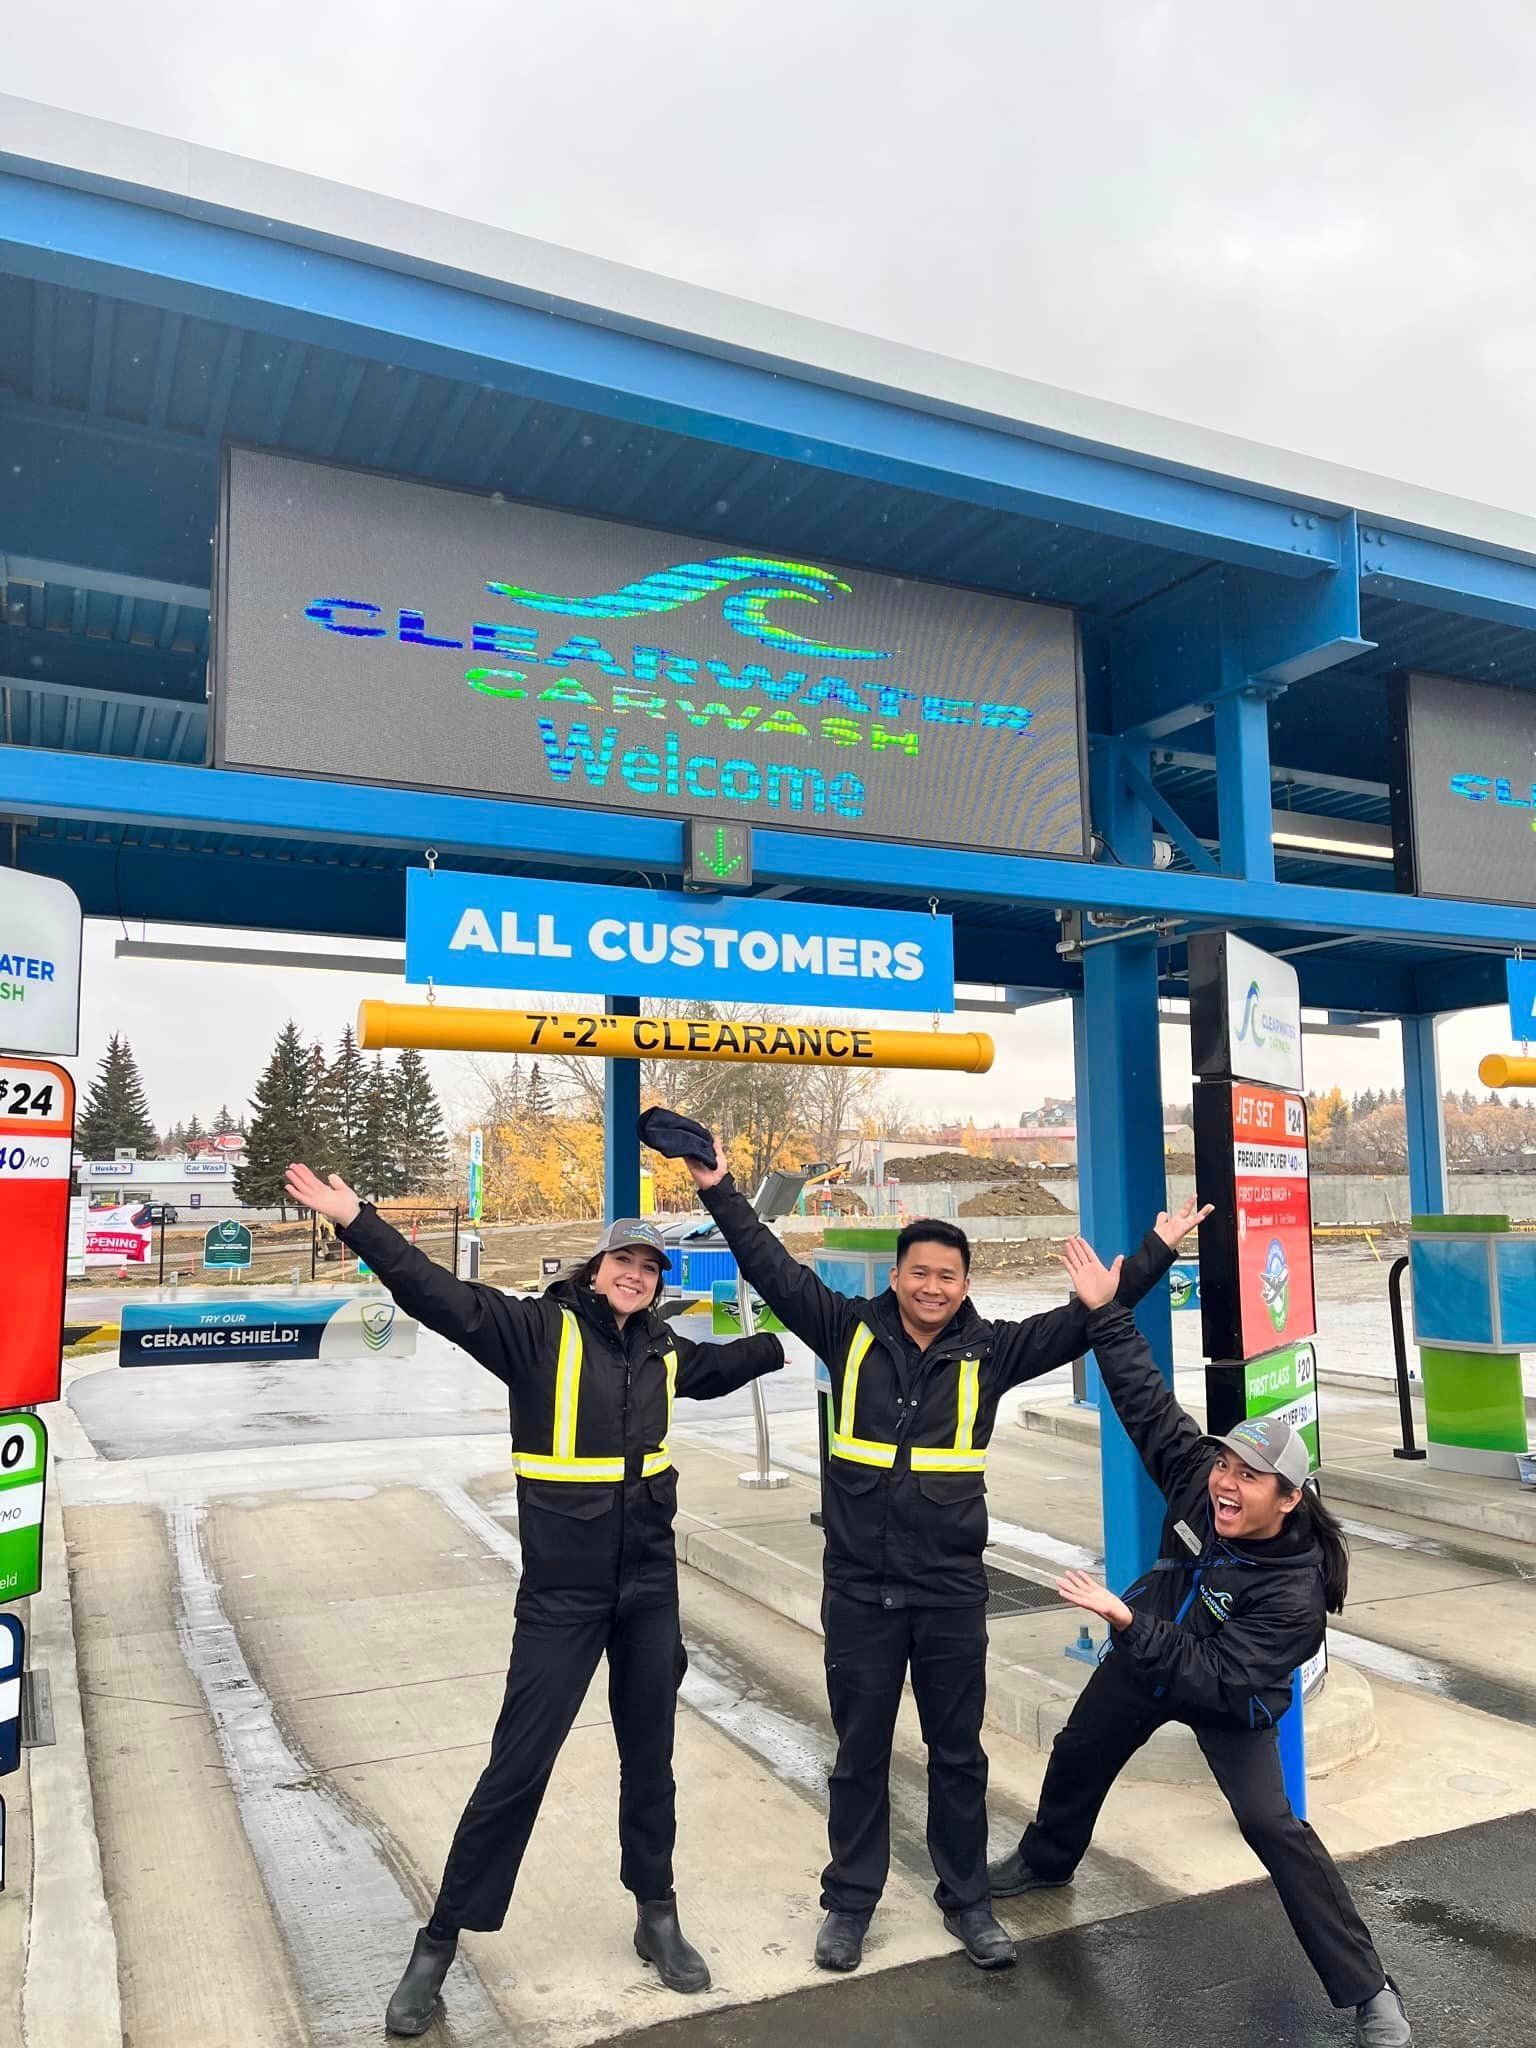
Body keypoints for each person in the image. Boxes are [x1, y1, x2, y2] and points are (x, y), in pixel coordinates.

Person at [655, 1119, 1199, 1975]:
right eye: (920, 1273)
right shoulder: (847, 1330)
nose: (933, 1286)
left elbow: (1089, 1314)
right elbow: (771, 1267)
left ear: (965, 1283)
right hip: (860, 1590)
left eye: (948, 1275)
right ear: (898, 1276)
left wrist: (1151, 1257)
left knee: (957, 1754)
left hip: (949, 1592)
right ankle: (849, 1905)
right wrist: (720, 1191)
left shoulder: (993, 1350)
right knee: (860, 1753)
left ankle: (968, 1901)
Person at [283, 1162, 785, 2040]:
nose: (636, 1274)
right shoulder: (534, 1333)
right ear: (594, 1269)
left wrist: (795, 1330)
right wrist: (357, 1221)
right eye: (623, 1261)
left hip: (649, 1592)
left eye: (651, 1267)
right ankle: (437, 1944)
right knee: (516, 1767)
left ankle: (656, 1913)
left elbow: (735, 1362)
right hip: (562, 1597)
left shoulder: (665, 1353)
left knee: (651, 1760)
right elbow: (435, 1294)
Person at [989, 1235, 1412, 2048]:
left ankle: (1368, 1993)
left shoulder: (1294, 1593)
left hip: (1228, 1695)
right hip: (1151, 1649)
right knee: (1079, 1751)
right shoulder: (1198, 1478)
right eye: (1226, 1463)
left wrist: (1126, 1623)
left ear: (1287, 1500)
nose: (1226, 1480)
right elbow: (1146, 1400)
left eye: (1250, 1476)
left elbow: (1219, 1676)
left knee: (1273, 1828)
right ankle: (1047, 1858)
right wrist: (1106, 1311)